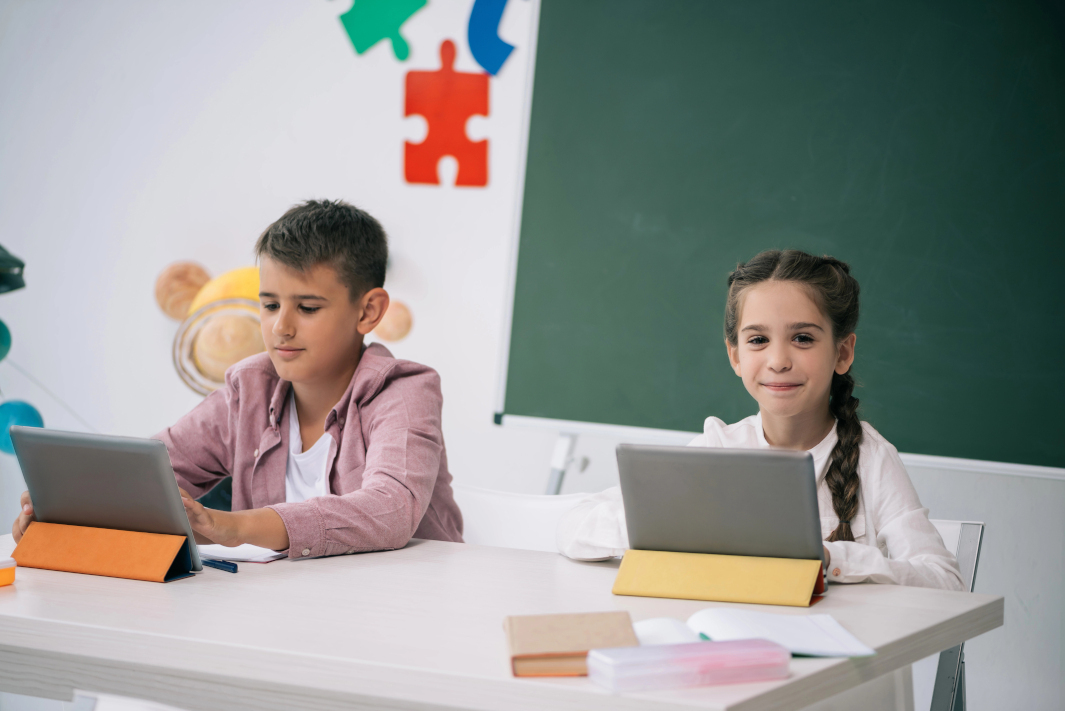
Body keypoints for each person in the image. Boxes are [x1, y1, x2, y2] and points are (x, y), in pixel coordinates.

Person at [13, 199, 463, 557]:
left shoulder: (404, 392)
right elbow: (150, 471)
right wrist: (69, 506)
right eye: (269, 305)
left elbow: (389, 509)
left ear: (368, 311)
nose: (280, 327)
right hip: (282, 611)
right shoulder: (248, 389)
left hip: (403, 611)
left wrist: (231, 526)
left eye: (307, 308)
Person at [557, 249, 962, 591]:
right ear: (735, 356)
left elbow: (945, 580)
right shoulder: (719, 450)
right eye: (757, 340)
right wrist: (668, 525)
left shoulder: (870, 459)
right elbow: (574, 527)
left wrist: (829, 558)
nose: (779, 360)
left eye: (802, 338)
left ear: (842, 352)